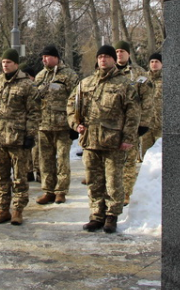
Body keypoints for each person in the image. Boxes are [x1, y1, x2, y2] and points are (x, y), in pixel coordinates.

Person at [67, 45, 140, 233]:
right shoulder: (86, 83)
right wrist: (76, 124)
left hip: (113, 141)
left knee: (113, 181)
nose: (103, 60)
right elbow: (71, 105)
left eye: (107, 56)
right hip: (90, 141)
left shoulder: (125, 84)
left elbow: (133, 113)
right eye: (100, 56)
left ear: (113, 60)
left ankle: (111, 215)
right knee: (93, 180)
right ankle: (96, 215)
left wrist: (128, 138)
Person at [0, 49, 39, 225]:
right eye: (4, 62)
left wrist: (30, 135)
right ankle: (3, 209)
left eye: (9, 62)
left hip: (18, 139)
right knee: (0, 177)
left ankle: (18, 210)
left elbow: (34, 112)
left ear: (16, 64)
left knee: (20, 177)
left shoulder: (27, 85)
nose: (5, 65)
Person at [34, 45, 79, 205]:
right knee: (45, 161)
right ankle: (48, 190)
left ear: (56, 57)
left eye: (47, 56)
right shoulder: (40, 76)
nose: (44, 60)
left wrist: (75, 123)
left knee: (62, 160)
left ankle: (61, 191)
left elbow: (77, 100)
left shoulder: (69, 75)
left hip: (62, 126)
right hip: (43, 126)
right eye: (42, 57)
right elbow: (34, 100)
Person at [114, 40, 153, 206]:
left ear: (128, 53)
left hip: (132, 124)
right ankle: (113, 191)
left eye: (122, 51)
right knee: (112, 161)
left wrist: (144, 123)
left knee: (129, 161)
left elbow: (148, 99)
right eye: (117, 51)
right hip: (111, 125)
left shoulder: (139, 73)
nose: (119, 54)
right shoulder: (109, 72)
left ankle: (126, 193)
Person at [139, 52, 162, 164]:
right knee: (146, 155)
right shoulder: (143, 79)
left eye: (156, 62)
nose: (154, 64)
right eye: (152, 62)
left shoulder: (167, 79)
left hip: (161, 123)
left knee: (161, 154)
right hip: (146, 123)